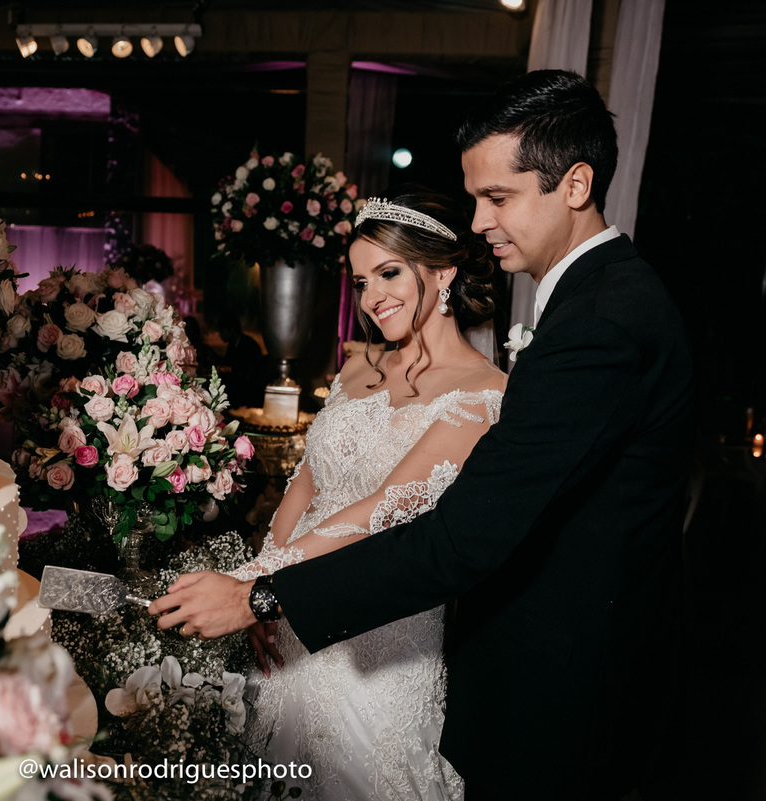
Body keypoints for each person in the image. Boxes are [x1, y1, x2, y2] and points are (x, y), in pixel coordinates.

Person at [150, 70, 694, 800]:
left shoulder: (599, 321)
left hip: (556, 688)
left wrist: (260, 596)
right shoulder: (599, 301)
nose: (477, 221)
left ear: (574, 183)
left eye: (497, 197)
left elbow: (462, 537)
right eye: (474, 199)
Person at [223, 188, 505, 800]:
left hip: (385, 638)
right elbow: (304, 486)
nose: (373, 296)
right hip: (291, 618)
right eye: (360, 280)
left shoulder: (485, 394)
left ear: (444, 271)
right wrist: (267, 599)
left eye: (390, 272)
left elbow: (380, 512)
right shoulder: (356, 368)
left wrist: (258, 584)